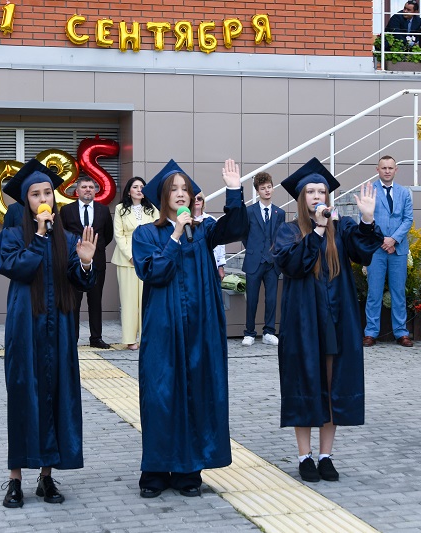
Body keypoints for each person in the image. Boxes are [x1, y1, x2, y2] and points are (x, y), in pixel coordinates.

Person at [132, 158, 248, 498]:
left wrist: (234, 190)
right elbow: (153, 272)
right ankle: (155, 470)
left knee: (197, 392)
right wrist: (175, 235)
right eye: (174, 189)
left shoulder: (204, 231)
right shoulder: (146, 234)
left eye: (185, 188)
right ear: (163, 196)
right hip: (163, 327)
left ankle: (188, 469)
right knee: (160, 395)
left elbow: (235, 228)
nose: (181, 193)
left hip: (200, 327)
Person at [273, 158, 383, 483]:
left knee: (332, 385)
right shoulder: (289, 230)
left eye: (322, 191)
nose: (317, 196)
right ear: (301, 197)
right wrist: (318, 229)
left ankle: (325, 455)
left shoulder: (343, 227)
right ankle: (304, 456)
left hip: (336, 319)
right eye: (311, 191)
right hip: (303, 321)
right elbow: (294, 265)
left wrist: (367, 219)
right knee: (305, 383)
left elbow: (363, 251)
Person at [0, 158, 97, 508]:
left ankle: (46, 476)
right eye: (36, 194)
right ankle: (15, 479)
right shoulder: (12, 236)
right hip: (25, 330)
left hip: (60, 330)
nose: (43, 199)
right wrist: (39, 237)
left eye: (47, 193)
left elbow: (80, 281)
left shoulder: (67, 239)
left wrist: (86, 261)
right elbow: (17, 268)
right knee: (23, 398)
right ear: (26, 201)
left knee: (56, 396)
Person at [363, 155, 415, 348]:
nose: (387, 171)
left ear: (396, 170)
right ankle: (371, 332)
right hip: (376, 250)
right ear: (377, 170)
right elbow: (366, 218)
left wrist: (393, 239)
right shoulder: (370, 191)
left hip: (397, 250)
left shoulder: (404, 193)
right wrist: (383, 240)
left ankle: (401, 332)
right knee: (374, 293)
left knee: (398, 292)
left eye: (390, 168)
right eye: (383, 168)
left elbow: (408, 219)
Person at [60, 175, 115, 349]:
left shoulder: (103, 210)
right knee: (74, 302)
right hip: (74, 263)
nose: (88, 190)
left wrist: (95, 249)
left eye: (91, 187)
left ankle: (96, 338)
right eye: (84, 187)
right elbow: (62, 235)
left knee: (95, 300)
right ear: (77, 191)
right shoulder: (66, 210)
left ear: (95, 191)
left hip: (97, 262)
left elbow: (108, 234)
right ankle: (72, 338)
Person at [111, 177, 159, 350]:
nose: (139, 190)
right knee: (129, 300)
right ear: (129, 191)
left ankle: (147, 337)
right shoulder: (120, 209)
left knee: (148, 300)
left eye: (142, 187)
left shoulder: (152, 208)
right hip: (126, 260)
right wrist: (131, 256)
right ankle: (130, 339)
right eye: (135, 187)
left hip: (148, 259)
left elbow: (158, 232)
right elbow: (119, 235)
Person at [241, 171, 285, 347]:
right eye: (262, 188)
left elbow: (281, 236)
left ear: (273, 188)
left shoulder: (279, 212)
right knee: (252, 298)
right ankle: (249, 332)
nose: (267, 190)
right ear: (257, 191)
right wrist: (253, 250)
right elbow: (244, 234)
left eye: (269, 187)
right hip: (254, 260)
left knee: (271, 299)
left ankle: (269, 332)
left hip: (272, 262)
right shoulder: (249, 211)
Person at [191, 191, 227, 281]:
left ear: (203, 201)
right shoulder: (186, 221)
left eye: (199, 198)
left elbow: (220, 244)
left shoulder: (211, 220)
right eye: (194, 199)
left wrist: (220, 266)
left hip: (210, 264)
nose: (196, 200)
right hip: (192, 265)